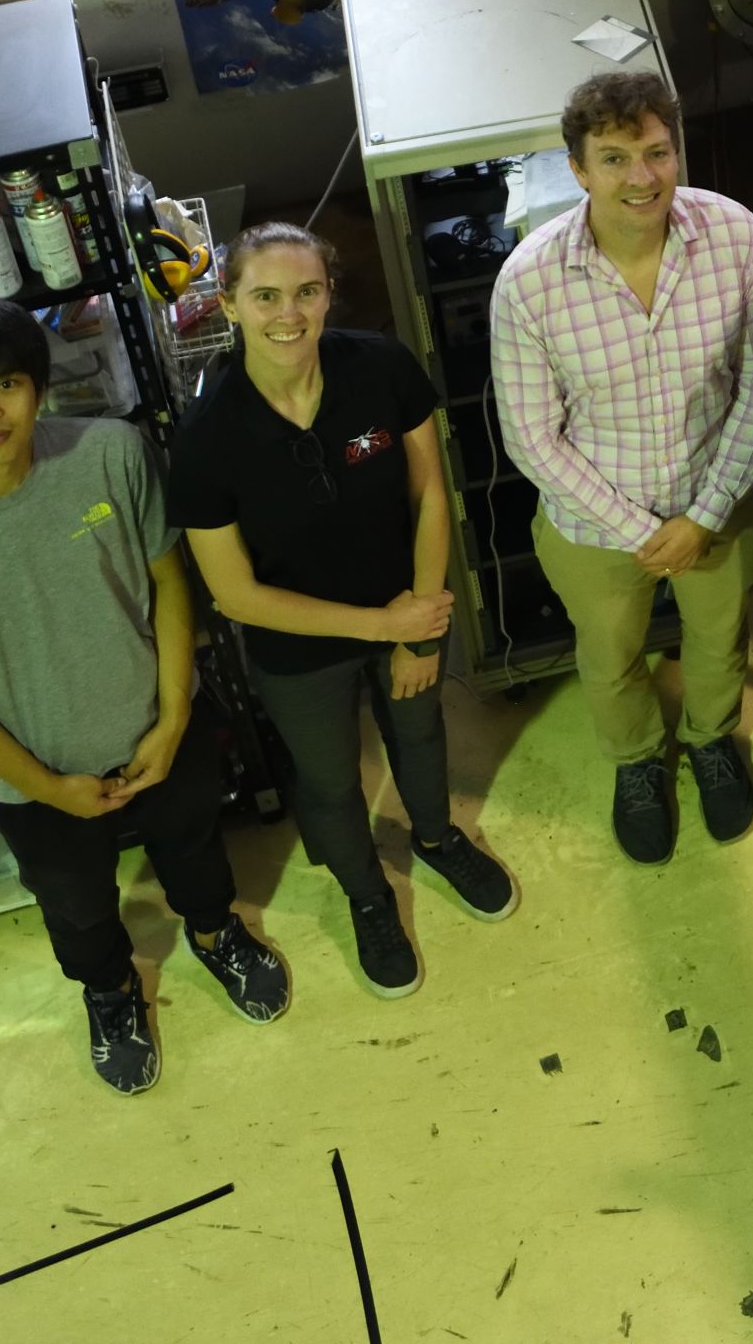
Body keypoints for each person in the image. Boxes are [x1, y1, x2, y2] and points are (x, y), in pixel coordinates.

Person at [0, 298, 290, 1095]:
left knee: (195, 846)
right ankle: (111, 991)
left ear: (38, 387)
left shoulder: (111, 453)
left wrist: (174, 715)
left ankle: (214, 932)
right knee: (76, 903)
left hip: (161, 725)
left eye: (5, 383)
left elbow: (168, 578)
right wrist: (47, 786)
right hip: (32, 779)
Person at [170, 223, 516, 1002]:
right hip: (301, 648)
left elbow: (430, 494)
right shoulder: (205, 439)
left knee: (420, 733)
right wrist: (386, 628)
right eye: (265, 295)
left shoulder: (380, 366)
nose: (288, 313)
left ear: (329, 294)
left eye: (307, 291)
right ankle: (366, 892)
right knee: (328, 780)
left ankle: (436, 838)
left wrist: (419, 624)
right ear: (229, 303)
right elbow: (236, 595)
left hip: (408, 605)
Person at [491, 68, 753, 864]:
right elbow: (531, 437)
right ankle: (637, 760)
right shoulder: (528, 284)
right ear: (578, 169)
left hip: (715, 496)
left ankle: (711, 738)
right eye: (615, 158)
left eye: (657, 151)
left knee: (720, 634)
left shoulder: (735, 235)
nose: (642, 176)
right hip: (595, 522)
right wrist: (642, 531)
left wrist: (704, 514)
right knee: (611, 652)